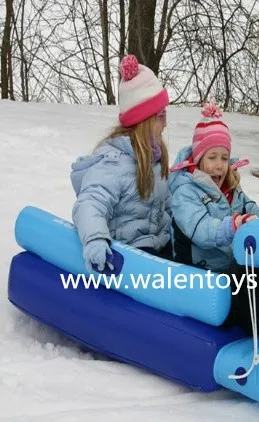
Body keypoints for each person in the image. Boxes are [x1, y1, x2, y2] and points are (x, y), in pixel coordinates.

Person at [168, 102, 259, 341]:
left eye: (224, 158)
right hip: (202, 272)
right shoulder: (185, 193)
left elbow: (249, 209)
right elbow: (201, 230)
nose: (219, 165)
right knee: (242, 292)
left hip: (231, 264)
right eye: (212, 157)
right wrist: (234, 225)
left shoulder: (230, 188)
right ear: (198, 159)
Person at [71, 54, 172, 273]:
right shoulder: (114, 164)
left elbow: (167, 208)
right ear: (145, 121)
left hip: (160, 250)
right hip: (129, 259)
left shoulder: (155, 160)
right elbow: (90, 203)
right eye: (161, 116)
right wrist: (95, 239)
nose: (166, 123)